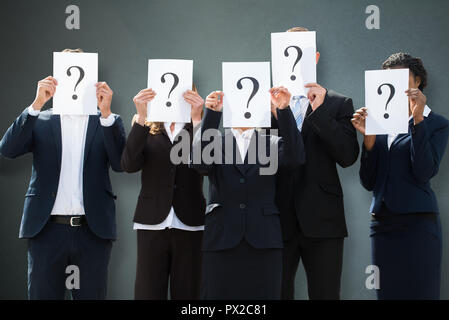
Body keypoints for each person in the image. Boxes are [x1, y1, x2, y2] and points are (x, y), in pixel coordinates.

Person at [0, 48, 126, 299]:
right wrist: (36, 104)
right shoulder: (40, 121)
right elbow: (8, 149)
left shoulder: (107, 121)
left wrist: (106, 113)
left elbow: (121, 163)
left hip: (93, 232)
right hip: (46, 231)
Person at [191, 86, 305, 299]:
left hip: (263, 238)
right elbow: (199, 164)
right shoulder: (214, 141)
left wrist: (284, 110)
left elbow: (296, 158)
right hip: (221, 237)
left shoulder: (271, 142)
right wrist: (212, 114)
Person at [352, 53, 449, 300]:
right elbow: (369, 182)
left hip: (419, 224)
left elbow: (424, 171)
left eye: (402, 78)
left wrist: (418, 119)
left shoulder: (437, 123)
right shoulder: (379, 121)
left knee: (422, 293)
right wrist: (369, 140)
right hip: (383, 224)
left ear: (418, 81)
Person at [273, 27, 359, 300]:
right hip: (276, 218)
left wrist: (320, 112)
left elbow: (347, 156)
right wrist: (277, 115)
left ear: (316, 57)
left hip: (324, 220)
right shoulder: (263, 107)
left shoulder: (338, 103)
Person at [121, 86, 206, 299]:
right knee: (148, 292)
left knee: (188, 292)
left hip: (190, 221)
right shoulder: (144, 125)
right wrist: (141, 116)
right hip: (151, 220)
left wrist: (197, 120)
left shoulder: (200, 126)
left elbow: (205, 165)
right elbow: (129, 165)